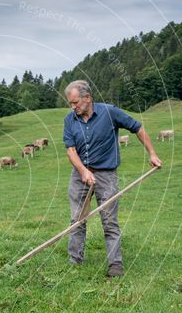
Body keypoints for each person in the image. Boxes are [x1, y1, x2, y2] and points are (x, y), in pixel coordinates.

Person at [62, 80, 162, 276]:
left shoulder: (110, 112)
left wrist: (152, 153)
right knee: (77, 219)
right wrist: (83, 171)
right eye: (70, 104)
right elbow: (71, 150)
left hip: (106, 175)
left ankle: (115, 265)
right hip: (80, 175)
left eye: (76, 103)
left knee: (109, 220)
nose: (73, 107)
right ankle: (74, 261)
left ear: (88, 98)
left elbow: (138, 128)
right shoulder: (69, 120)